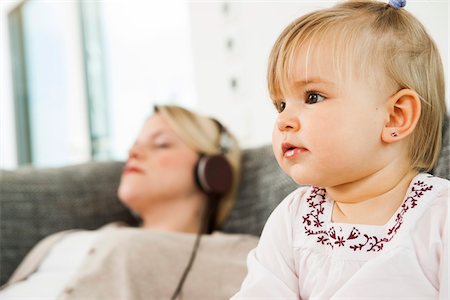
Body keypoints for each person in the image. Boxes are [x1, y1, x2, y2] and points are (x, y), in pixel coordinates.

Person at [232, 0, 448, 299]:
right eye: (280, 104)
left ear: (396, 116)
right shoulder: (294, 218)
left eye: (313, 97)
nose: (283, 120)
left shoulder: (439, 216)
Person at [0, 105, 258, 300]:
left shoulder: (235, 254)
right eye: (135, 144)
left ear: (212, 170)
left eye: (161, 144)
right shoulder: (79, 237)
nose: (132, 152)